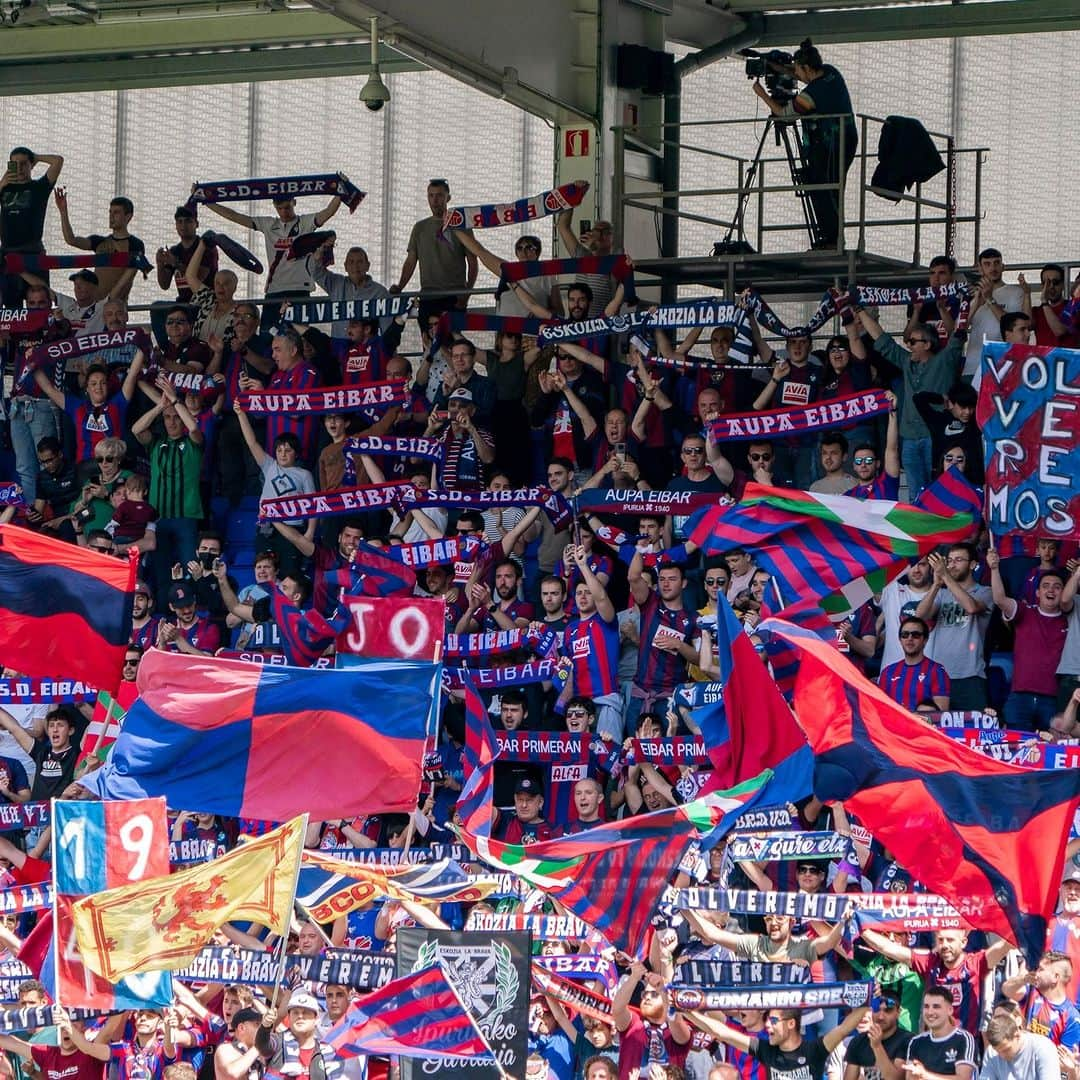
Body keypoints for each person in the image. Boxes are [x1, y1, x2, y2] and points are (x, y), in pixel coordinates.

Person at [751, 38, 856, 249]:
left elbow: (785, 115)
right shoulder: (830, 72)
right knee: (831, 189)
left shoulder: (810, 96)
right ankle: (831, 239)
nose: (796, 75)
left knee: (822, 188)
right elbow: (805, 77)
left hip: (828, 146)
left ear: (806, 67)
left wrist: (762, 94)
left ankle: (831, 240)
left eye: (798, 70)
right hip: (845, 140)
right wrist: (778, 67)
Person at [201, 189, 342, 332]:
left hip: (300, 290)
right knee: (267, 335)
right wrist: (207, 202)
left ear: (294, 202)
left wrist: (340, 192)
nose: (284, 212)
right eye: (279, 208)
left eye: (287, 207)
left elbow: (328, 212)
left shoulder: (305, 222)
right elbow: (235, 216)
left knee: (298, 337)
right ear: (274, 206)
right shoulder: (268, 224)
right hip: (274, 291)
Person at [859, 927, 1011, 1036]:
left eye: (950, 940)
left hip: (964, 1046)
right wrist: (859, 926)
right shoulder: (930, 963)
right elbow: (888, 948)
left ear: (964, 942)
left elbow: (1006, 944)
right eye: (940, 940)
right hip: (931, 1046)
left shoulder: (976, 963)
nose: (944, 945)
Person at [988, 552, 1071, 732]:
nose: (1051, 590)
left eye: (1057, 587)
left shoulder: (1070, 620)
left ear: (1064, 592)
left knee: (1049, 752)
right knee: (1015, 750)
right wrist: (994, 569)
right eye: (1046, 586)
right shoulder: (1025, 612)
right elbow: (1000, 600)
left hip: (1053, 699)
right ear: (1037, 592)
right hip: (1019, 697)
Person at [688, 1002, 870, 1080]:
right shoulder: (765, 1049)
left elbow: (844, 1028)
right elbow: (722, 1032)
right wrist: (686, 1011)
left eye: (773, 1021)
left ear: (791, 1023)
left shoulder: (815, 1049)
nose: (768, 1025)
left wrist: (868, 999)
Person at [915, 545, 994, 711]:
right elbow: (919, 616)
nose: (951, 565)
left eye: (958, 560)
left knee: (971, 730)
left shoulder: (985, 591)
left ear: (972, 565)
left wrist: (945, 576)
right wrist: (936, 584)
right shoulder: (943, 593)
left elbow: (971, 607)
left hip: (971, 675)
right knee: (938, 728)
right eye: (949, 561)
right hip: (940, 674)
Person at [392, 179, 477, 319]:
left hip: (454, 295)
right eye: (431, 196)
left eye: (439, 195)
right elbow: (411, 261)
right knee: (428, 337)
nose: (435, 200)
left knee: (452, 338)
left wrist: (466, 294)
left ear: (447, 198)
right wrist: (400, 286)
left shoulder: (461, 226)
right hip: (428, 296)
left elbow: (473, 262)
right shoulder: (420, 228)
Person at [0, 145, 64, 306]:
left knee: (40, 300)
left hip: (32, 251)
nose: (19, 168)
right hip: (7, 252)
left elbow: (57, 161)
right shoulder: (4, 188)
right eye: (15, 164)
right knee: (11, 306)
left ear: (31, 165)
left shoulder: (39, 187)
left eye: (24, 163)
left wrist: (36, 156)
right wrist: (2, 184)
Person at [55, 189, 145, 301]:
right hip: (95, 305)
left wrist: (110, 299)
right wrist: (63, 211)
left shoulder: (135, 244)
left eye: (116, 212)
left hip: (115, 307)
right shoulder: (99, 241)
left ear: (128, 216)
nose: (111, 216)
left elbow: (129, 275)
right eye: (110, 212)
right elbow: (71, 240)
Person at [612, 961, 691, 1080]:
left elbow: (675, 1018)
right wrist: (634, 978)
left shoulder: (674, 1030)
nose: (647, 998)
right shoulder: (635, 1025)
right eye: (644, 994)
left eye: (654, 994)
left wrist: (664, 990)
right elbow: (617, 1009)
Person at [964, 248, 1026, 382]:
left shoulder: (1015, 292)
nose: (993, 268)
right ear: (980, 269)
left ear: (1003, 266)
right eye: (987, 264)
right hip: (973, 365)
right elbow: (961, 329)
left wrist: (990, 299)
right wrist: (976, 305)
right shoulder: (972, 295)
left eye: (996, 263)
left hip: (1002, 364)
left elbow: (1011, 325)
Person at [1000, 950, 1080, 1049]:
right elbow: (1006, 989)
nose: (1036, 973)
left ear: (1055, 977)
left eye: (1041, 969)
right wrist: (1023, 979)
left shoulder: (1071, 1018)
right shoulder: (1032, 993)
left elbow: (1065, 1059)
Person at [877, 617, 950, 711]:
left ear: (925, 640)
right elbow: (881, 709)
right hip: (893, 724)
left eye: (916, 635)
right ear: (900, 639)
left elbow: (941, 715)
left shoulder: (937, 671)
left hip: (921, 725)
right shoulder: (887, 672)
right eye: (905, 635)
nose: (910, 638)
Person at [902, 988, 976, 1080]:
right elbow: (910, 1078)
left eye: (936, 1006)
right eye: (926, 1006)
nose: (930, 1012)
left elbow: (964, 1078)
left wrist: (925, 1075)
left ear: (950, 1010)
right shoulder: (916, 1042)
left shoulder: (964, 1039)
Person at [842, 990, 911, 1080]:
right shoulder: (858, 1041)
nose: (881, 1016)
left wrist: (877, 1046)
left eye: (888, 1011)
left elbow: (896, 1079)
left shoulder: (907, 1040)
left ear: (898, 1012)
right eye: (877, 1010)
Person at [981, 1015, 1058, 1080]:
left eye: (1006, 1050)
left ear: (1017, 1035)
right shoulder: (992, 1052)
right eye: (998, 1051)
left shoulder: (1043, 1048)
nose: (1002, 1056)